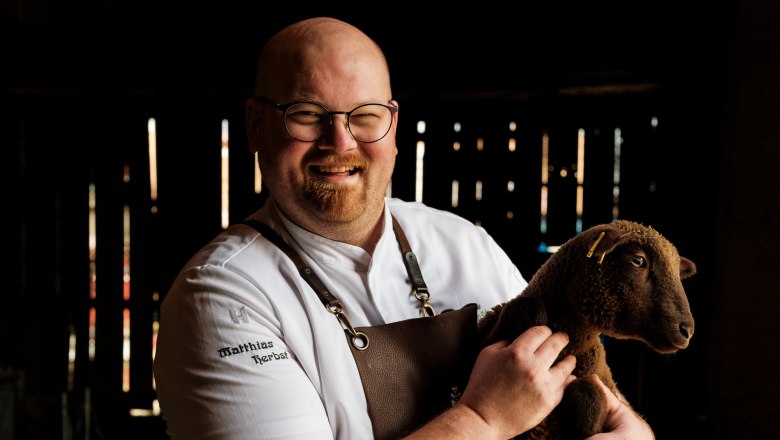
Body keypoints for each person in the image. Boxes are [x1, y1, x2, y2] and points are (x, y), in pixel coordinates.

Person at [152, 16, 655, 440]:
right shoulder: (222, 297)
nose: (340, 141)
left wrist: (632, 431)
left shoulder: (463, 243)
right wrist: (482, 419)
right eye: (306, 114)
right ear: (255, 125)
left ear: (393, 126)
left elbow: (589, 390)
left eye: (365, 116)